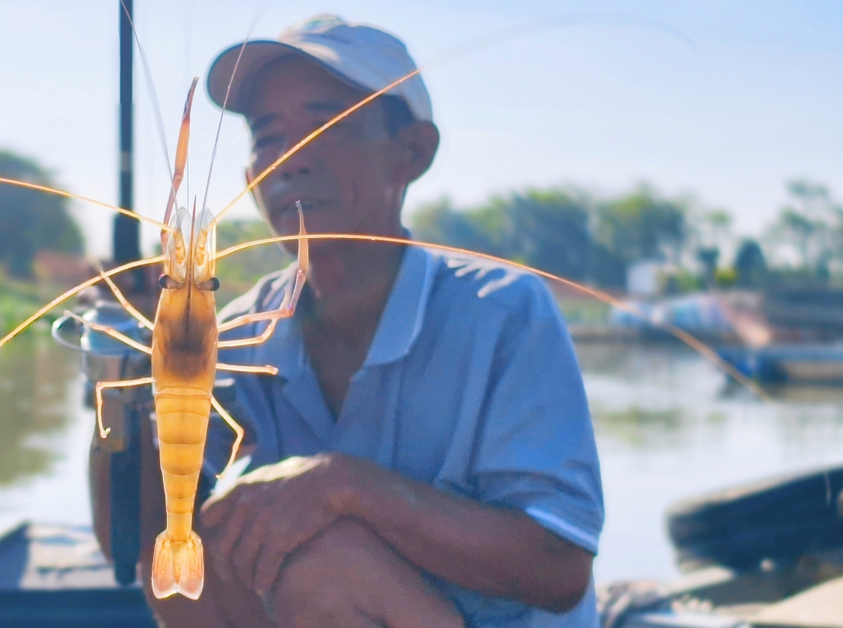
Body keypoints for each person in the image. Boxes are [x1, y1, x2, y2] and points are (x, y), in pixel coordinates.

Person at [90, 15, 604, 628]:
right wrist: (122, 378)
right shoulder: (234, 334)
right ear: (251, 179)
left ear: (411, 152)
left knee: (327, 563)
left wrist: (344, 488)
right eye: (267, 136)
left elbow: (559, 569)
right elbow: (133, 548)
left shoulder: (505, 312)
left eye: (325, 127)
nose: (289, 160)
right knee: (203, 560)